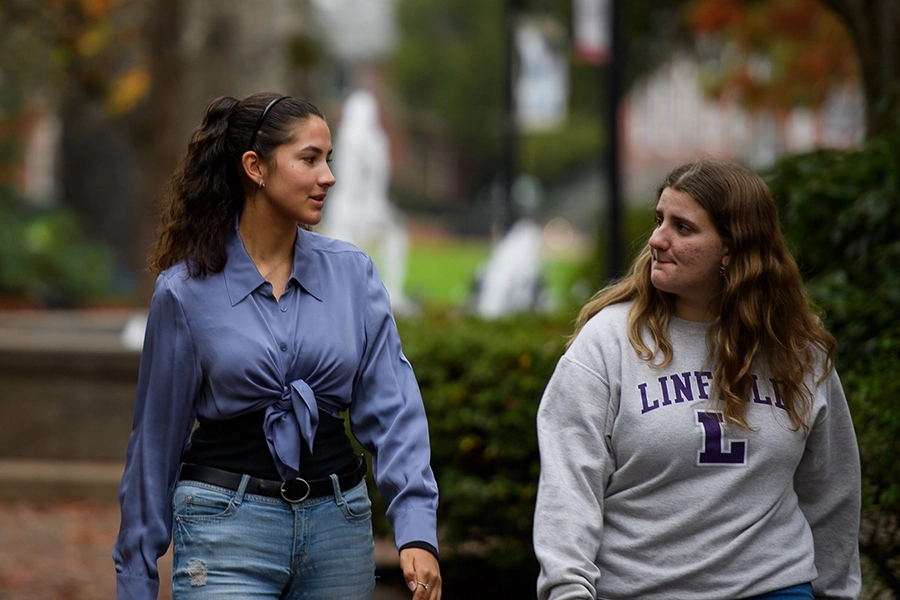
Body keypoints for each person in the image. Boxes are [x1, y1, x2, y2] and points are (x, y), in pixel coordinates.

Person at [113, 92, 442, 600]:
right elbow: (154, 447)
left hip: (339, 531)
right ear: (255, 168)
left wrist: (416, 527)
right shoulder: (185, 292)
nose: (329, 176)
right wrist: (136, 578)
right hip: (224, 532)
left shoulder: (352, 275)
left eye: (329, 159)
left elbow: (395, 409)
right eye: (309, 159)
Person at [533, 160, 861, 600]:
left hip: (774, 588)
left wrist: (836, 594)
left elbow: (833, 492)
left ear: (732, 249)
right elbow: (569, 488)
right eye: (659, 220)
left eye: (682, 228)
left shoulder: (798, 351)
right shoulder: (608, 342)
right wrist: (568, 591)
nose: (656, 239)